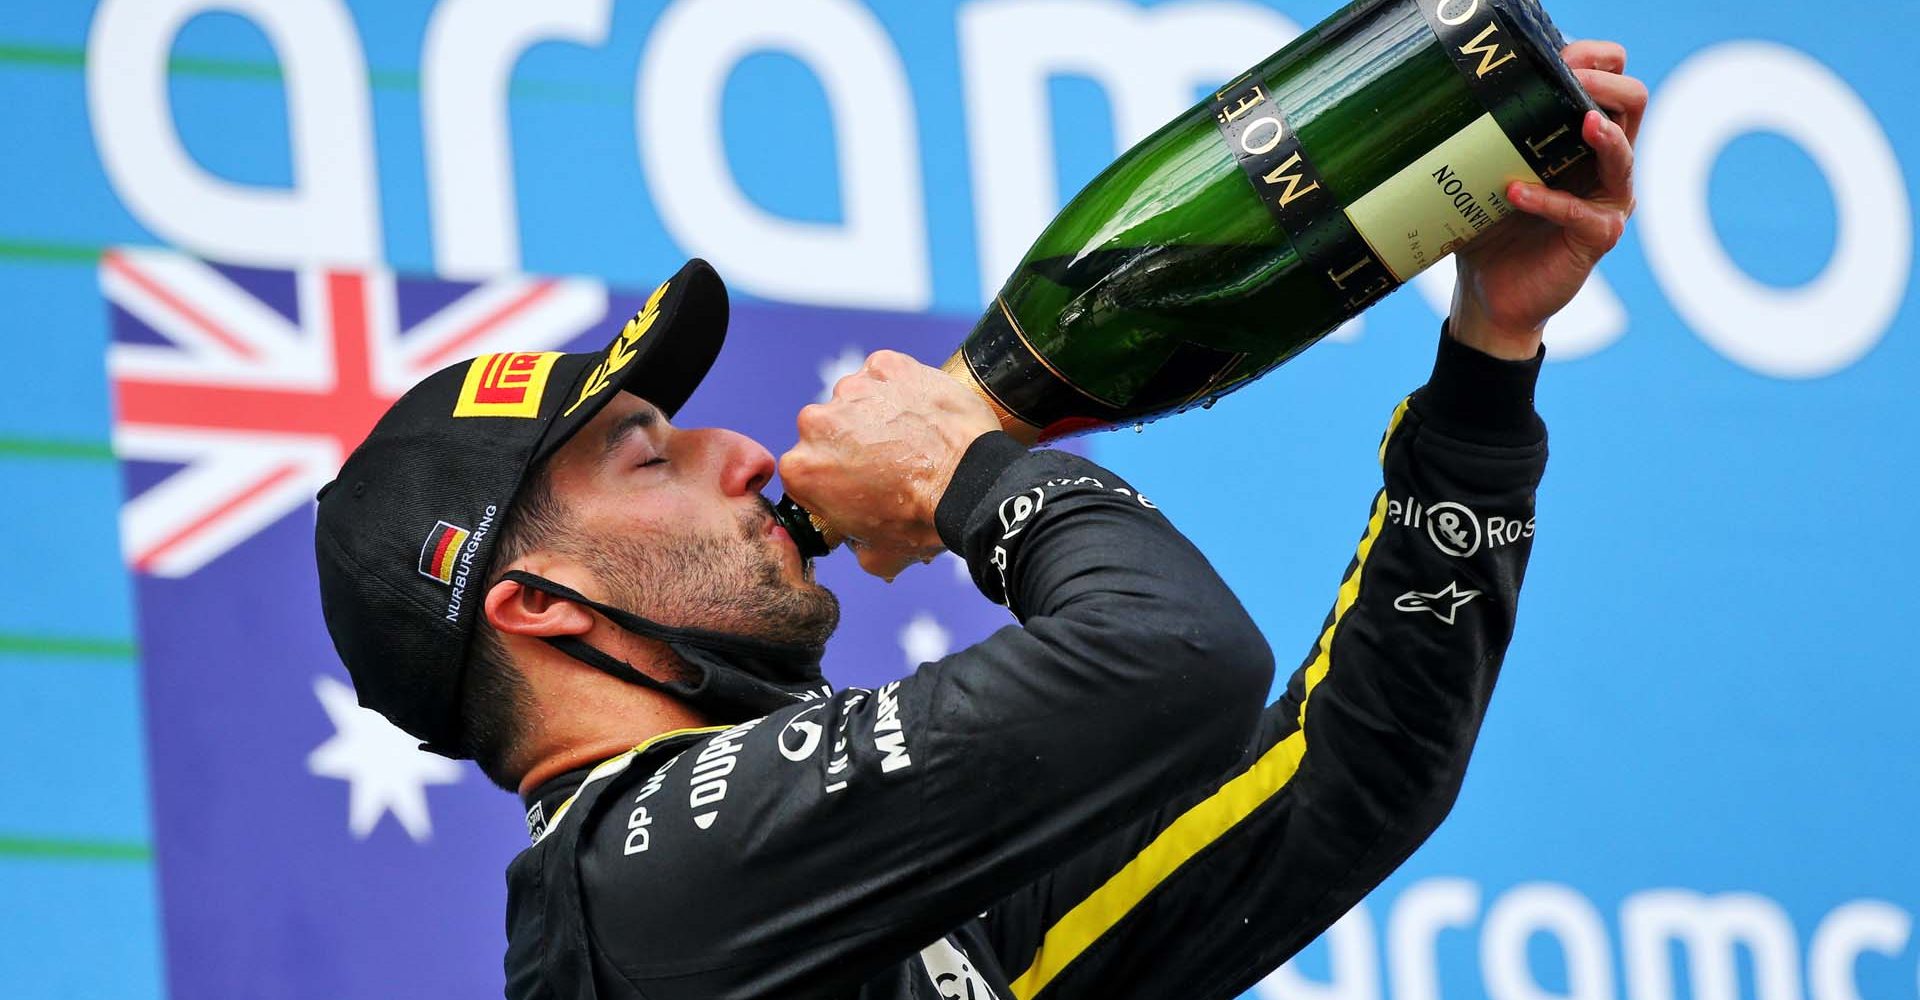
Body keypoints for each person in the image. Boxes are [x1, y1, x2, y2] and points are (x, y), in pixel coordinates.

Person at [314, 41, 1644, 1000]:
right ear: (535, 603)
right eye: (647, 457)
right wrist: (962, 469)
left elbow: (1345, 785)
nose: (742, 451)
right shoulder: (647, 886)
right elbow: (1171, 657)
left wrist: (1489, 356)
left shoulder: (864, 907)